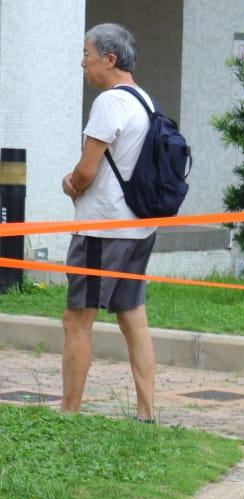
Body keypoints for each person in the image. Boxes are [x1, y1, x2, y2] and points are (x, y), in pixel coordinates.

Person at [59, 23, 159, 420]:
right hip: (139, 228)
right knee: (133, 316)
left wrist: (69, 184)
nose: (82, 62)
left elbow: (86, 172)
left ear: (109, 59)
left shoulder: (109, 103)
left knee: (76, 320)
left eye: (87, 53)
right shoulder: (144, 100)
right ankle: (146, 413)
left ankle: (69, 411)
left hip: (103, 230)